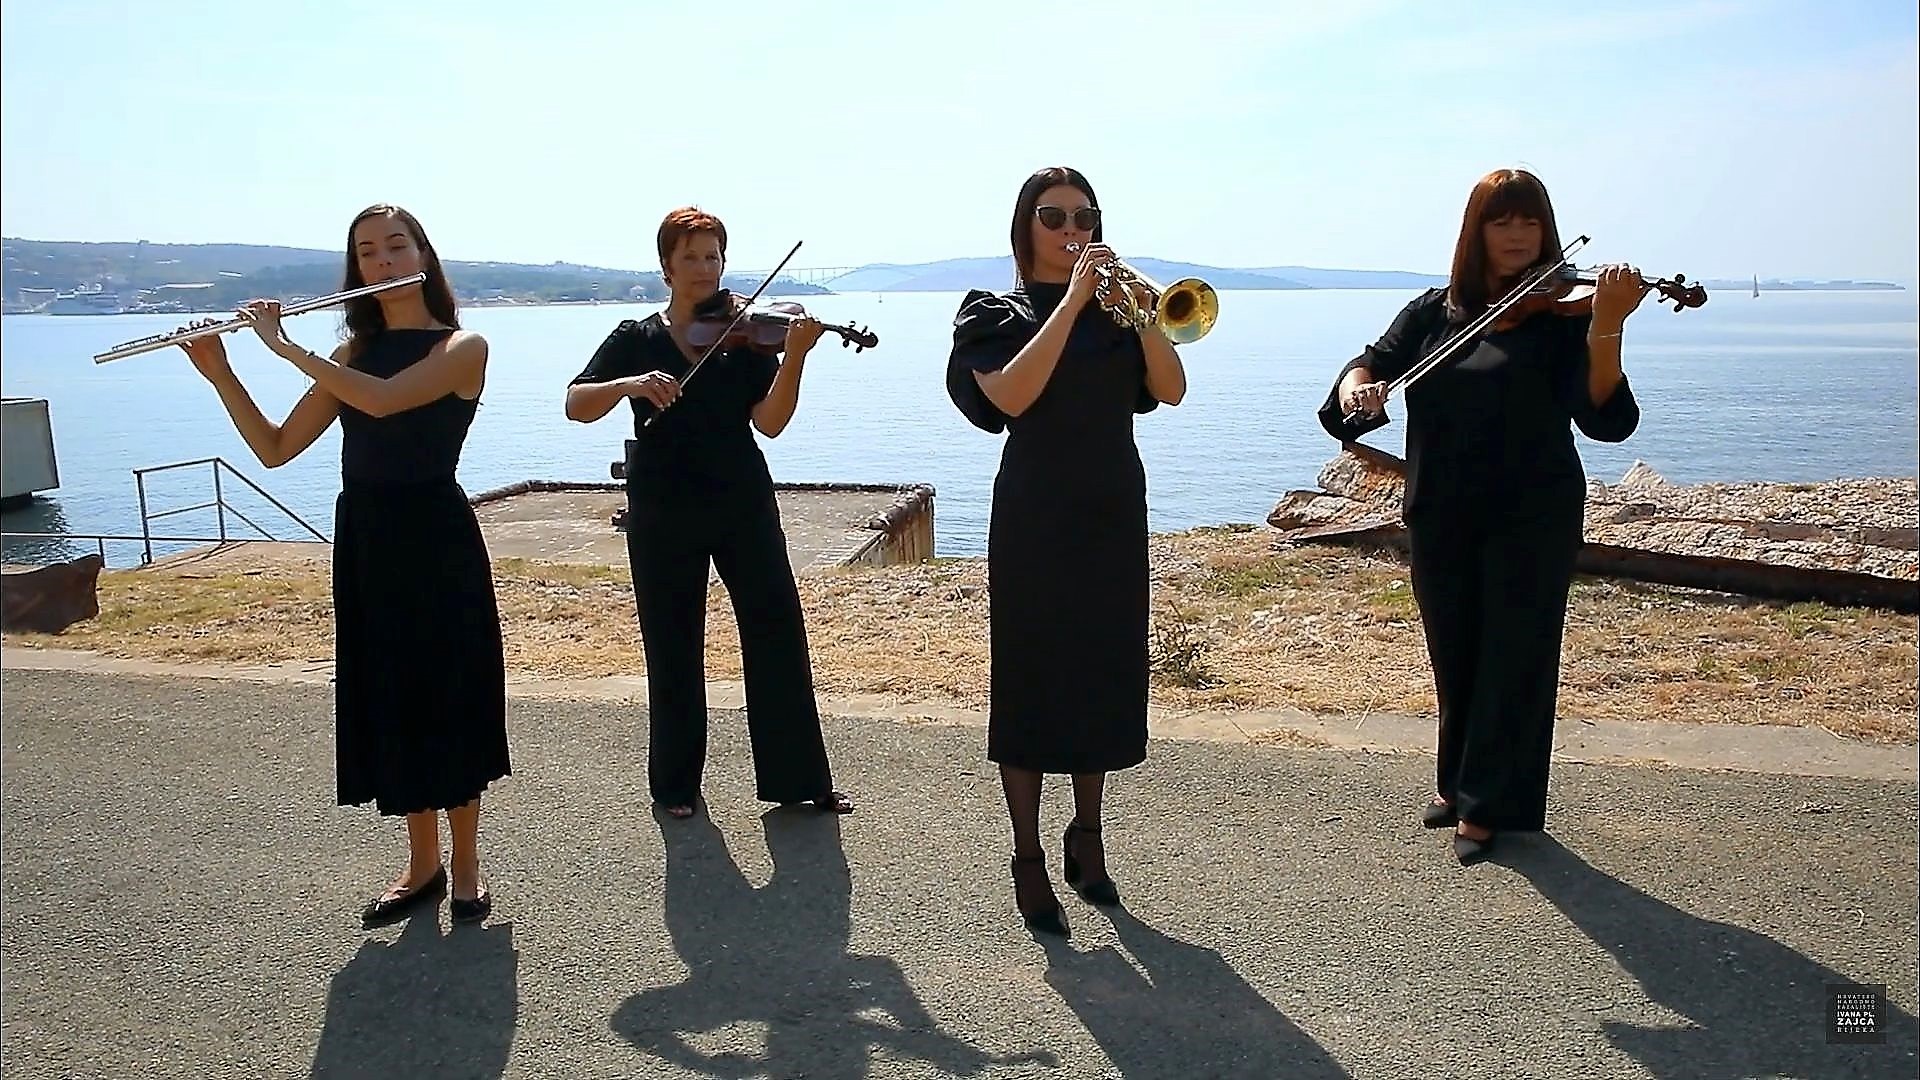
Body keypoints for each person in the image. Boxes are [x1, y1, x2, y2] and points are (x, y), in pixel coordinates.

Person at [178, 203, 509, 924]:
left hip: (435, 536)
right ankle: (422, 863)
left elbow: (385, 404)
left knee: (449, 691)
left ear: (423, 254)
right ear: (356, 269)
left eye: (396, 246)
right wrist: (221, 372)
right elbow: (275, 448)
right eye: (367, 252)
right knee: (393, 692)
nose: (383, 261)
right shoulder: (353, 357)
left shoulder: (463, 346)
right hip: (368, 537)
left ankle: (467, 864)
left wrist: (286, 348)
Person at [1317, 167, 1646, 865]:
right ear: (1477, 232)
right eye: (1502, 221)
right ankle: (1458, 782)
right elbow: (1367, 365)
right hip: (1441, 507)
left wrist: (1609, 324)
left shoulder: (1566, 313)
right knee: (1456, 649)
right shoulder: (1434, 312)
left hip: (1532, 511)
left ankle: (1488, 806)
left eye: (1530, 221)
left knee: (1513, 656)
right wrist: (1359, 390)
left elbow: (1604, 418)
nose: (1518, 234)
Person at [945, 166, 1188, 937]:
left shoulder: (1119, 311)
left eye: (1085, 216)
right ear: (1026, 226)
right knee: (1031, 677)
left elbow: (1171, 388)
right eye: (1053, 216)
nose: (1072, 229)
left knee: (1101, 672)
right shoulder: (994, 311)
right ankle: (1027, 856)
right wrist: (1074, 300)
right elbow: (1011, 396)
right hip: (1035, 512)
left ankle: (1088, 835)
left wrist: (1142, 315)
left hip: (1111, 507)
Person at [566, 206, 853, 821]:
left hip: (741, 499)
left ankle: (799, 780)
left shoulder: (746, 335)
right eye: (691, 257)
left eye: (713, 256)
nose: (704, 268)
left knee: (776, 633)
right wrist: (628, 385)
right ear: (667, 266)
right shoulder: (635, 337)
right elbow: (576, 403)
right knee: (672, 645)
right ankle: (675, 785)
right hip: (662, 506)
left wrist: (796, 357)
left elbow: (770, 422)